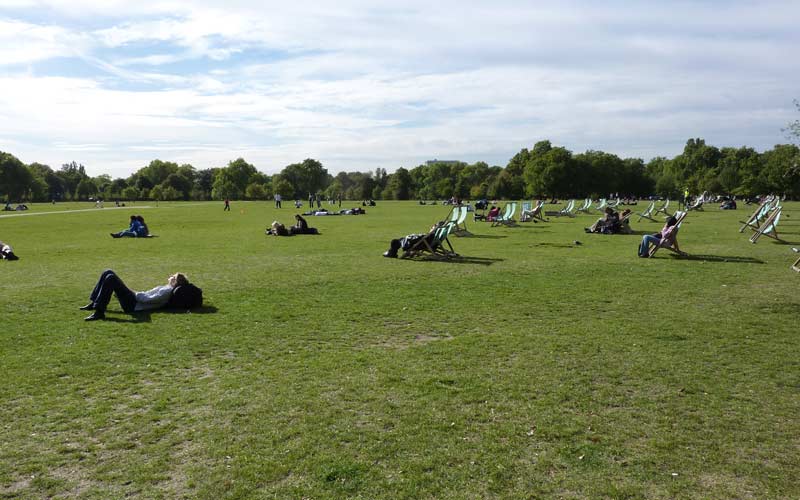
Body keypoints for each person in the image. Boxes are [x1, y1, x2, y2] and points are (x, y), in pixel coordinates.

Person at [80, 270, 189, 321]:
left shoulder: (167, 291)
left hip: (133, 305)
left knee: (111, 278)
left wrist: (132, 292)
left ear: (174, 281)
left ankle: (99, 311)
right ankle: (95, 303)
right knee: (107, 272)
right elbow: (147, 295)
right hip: (135, 300)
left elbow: (147, 299)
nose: (170, 276)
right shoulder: (166, 288)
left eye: (172, 276)